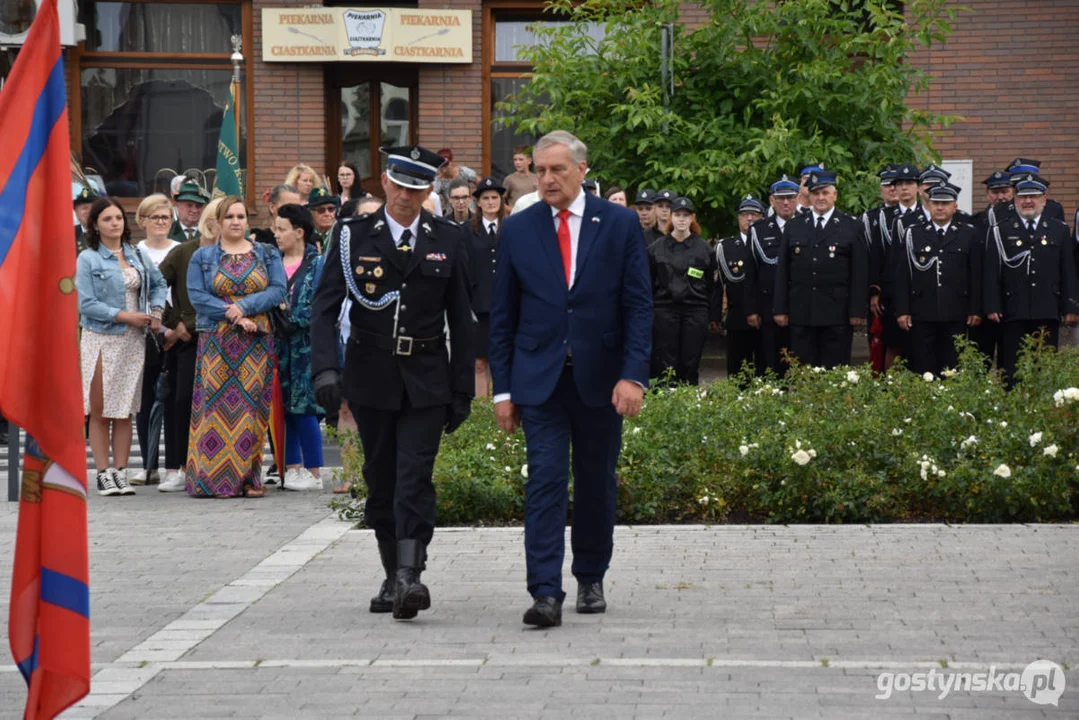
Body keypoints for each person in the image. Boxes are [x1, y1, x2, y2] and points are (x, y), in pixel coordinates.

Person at [488, 130, 652, 628]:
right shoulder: (519, 228)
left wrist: (633, 376)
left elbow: (639, 306)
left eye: (557, 169)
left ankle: (590, 576)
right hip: (539, 380)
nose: (547, 178)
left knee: (596, 481)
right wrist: (503, 389)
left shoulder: (619, 224)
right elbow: (503, 316)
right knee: (545, 482)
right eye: (539, 170)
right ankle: (544, 592)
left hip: (601, 379)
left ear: (582, 170)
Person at [310, 145, 474, 620]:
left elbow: (461, 319)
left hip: (426, 376)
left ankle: (410, 576)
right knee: (380, 478)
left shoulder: (447, 236)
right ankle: (389, 574)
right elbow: (325, 308)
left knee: (413, 478)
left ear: (430, 191)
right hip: (371, 374)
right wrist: (326, 369)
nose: (406, 195)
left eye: (418, 188)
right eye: (400, 185)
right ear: (384, 182)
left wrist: (462, 387)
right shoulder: (352, 235)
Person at [186, 196, 287, 498]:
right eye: (229, 216)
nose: (236, 222)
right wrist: (234, 315)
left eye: (241, 216)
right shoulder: (202, 257)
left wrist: (242, 307)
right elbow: (197, 297)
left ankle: (247, 478)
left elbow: (278, 289)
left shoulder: (267, 253)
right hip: (216, 342)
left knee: (251, 408)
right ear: (217, 221)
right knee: (214, 409)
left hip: (255, 343)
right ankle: (211, 480)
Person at [76, 197, 167, 497]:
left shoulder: (137, 254)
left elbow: (158, 283)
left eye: (118, 218)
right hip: (102, 336)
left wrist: (156, 311)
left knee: (125, 409)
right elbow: (86, 304)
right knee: (101, 409)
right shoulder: (88, 258)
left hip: (132, 340)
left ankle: (121, 471)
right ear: (96, 226)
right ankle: (103, 473)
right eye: (107, 219)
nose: (115, 223)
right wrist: (124, 315)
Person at [984, 174, 1079, 386]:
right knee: (1010, 366)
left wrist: (1070, 305)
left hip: (1047, 307)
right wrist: (992, 305)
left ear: (1044, 199)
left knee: (1044, 366)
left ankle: (1042, 410)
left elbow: (1067, 270)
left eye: (1033, 196)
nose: (1028, 201)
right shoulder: (1000, 230)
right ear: (1015, 200)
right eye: (1023, 196)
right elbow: (991, 272)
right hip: (1011, 309)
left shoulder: (1059, 229)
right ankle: (1010, 413)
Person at [156, 198, 223, 492]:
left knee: (222, 405)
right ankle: (177, 466)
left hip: (227, 339)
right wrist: (174, 321)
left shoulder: (242, 254)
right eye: (222, 217)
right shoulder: (184, 252)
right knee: (181, 401)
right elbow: (154, 285)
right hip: (189, 340)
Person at [773, 171, 868, 369]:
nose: (821, 198)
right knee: (803, 372)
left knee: (835, 372)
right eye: (816, 193)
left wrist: (857, 310)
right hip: (802, 311)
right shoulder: (795, 226)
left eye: (825, 192)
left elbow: (859, 272)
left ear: (835, 195)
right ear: (809, 196)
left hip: (837, 313)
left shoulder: (851, 226)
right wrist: (780, 308)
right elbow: (783, 271)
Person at [894, 183, 983, 375]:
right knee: (922, 367)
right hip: (921, 311)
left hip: (956, 311)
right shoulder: (913, 233)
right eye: (935, 203)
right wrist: (902, 310)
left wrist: (975, 308)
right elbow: (902, 275)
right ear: (928, 205)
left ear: (955, 207)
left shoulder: (968, 234)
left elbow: (975, 275)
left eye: (945, 203)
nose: (940, 207)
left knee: (953, 366)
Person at [273, 203, 326, 491]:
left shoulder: (317, 264)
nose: (276, 235)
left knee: (305, 407)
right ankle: (290, 468)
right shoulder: (272, 263)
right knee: (282, 407)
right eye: (275, 229)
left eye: (282, 229)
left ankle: (314, 472)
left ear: (299, 232)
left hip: (305, 346)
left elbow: (318, 306)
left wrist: (289, 317)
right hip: (277, 345)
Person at [132, 193, 181, 485]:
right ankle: (148, 465)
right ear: (142, 221)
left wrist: (172, 327)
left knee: (174, 400)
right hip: (143, 333)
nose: (161, 222)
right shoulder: (134, 252)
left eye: (165, 217)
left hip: (176, 334)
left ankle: (174, 466)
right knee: (145, 400)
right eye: (155, 217)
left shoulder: (181, 249)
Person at [647, 196, 716, 385]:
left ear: (692, 218)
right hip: (664, 310)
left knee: (690, 360)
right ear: (671, 217)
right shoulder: (655, 249)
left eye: (686, 215)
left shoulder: (704, 249)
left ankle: (689, 403)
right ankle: (665, 403)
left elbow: (710, 284)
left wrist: (708, 311)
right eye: (677, 214)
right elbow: (649, 282)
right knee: (665, 362)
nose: (681, 219)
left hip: (695, 309)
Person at [748, 176, 799, 377]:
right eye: (781, 198)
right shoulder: (758, 230)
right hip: (768, 306)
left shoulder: (805, 226)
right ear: (772, 200)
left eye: (790, 197)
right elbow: (751, 273)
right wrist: (752, 310)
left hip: (799, 306)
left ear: (797, 199)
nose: (785, 202)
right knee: (769, 362)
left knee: (798, 362)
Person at [715, 195, 764, 379]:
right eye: (745, 214)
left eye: (754, 214)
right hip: (737, 316)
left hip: (764, 315)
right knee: (737, 370)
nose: (749, 219)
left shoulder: (768, 243)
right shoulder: (725, 247)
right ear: (738, 218)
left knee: (764, 368)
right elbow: (718, 285)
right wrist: (715, 315)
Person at [469, 177, 507, 398]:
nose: (491, 202)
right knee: (479, 362)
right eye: (486, 198)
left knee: (502, 358)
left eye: (495, 197)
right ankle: (481, 412)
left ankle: (502, 404)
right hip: (478, 305)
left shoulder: (511, 228)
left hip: (506, 303)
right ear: (479, 203)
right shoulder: (467, 231)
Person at [503, 145, 537, 210]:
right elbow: (501, 201)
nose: (517, 162)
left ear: (529, 161)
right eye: (515, 160)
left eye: (521, 159)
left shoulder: (537, 178)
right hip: (516, 216)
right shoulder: (510, 179)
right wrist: (512, 211)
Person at [306, 186, 339, 252]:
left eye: (331, 209)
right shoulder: (306, 235)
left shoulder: (342, 232)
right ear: (311, 213)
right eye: (321, 210)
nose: (327, 214)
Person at [74, 186, 97, 256]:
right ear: (76, 212)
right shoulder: (69, 234)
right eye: (84, 208)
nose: (89, 211)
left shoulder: (108, 232)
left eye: (93, 208)